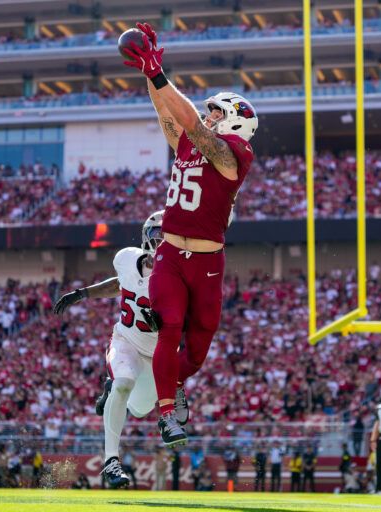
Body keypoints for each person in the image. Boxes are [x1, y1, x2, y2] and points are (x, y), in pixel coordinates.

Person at [122, 21, 258, 447]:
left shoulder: (235, 154)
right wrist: (149, 72)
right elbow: (168, 114)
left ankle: (165, 387)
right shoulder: (191, 142)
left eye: (218, 111)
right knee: (170, 326)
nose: (209, 115)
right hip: (169, 252)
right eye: (210, 110)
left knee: (197, 349)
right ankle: (166, 414)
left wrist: (159, 73)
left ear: (236, 121)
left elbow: (195, 127)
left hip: (207, 261)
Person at [54, 211, 164, 488]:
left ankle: (110, 387)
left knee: (139, 409)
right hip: (125, 339)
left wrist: (164, 321)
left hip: (156, 352)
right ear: (146, 237)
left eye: (168, 236)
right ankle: (111, 461)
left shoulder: (178, 273)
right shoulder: (127, 258)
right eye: (157, 235)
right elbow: (121, 283)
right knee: (124, 383)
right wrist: (83, 293)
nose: (162, 241)